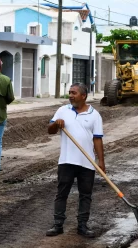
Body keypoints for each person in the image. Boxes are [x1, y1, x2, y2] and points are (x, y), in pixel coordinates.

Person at [46, 83, 105, 238]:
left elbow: (98, 140)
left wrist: (101, 162)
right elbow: (49, 129)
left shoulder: (94, 115)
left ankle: (82, 226)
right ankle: (58, 225)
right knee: (61, 193)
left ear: (83, 96)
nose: (70, 95)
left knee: (85, 195)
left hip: (87, 163)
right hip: (66, 161)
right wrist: (56, 124)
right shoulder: (62, 111)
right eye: (70, 92)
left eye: (74, 93)